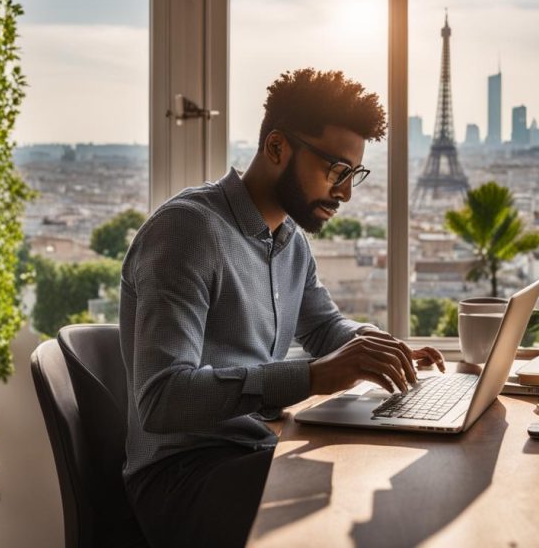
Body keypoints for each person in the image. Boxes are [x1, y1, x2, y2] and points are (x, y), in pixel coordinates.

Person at [119, 68, 445, 548]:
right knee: (372, 488)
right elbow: (162, 398)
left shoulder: (289, 238)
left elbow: (324, 326)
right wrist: (313, 377)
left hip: (256, 448)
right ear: (277, 148)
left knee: (388, 471)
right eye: (336, 170)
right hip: (184, 480)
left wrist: (375, 346)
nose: (346, 192)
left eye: (354, 174)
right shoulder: (186, 233)